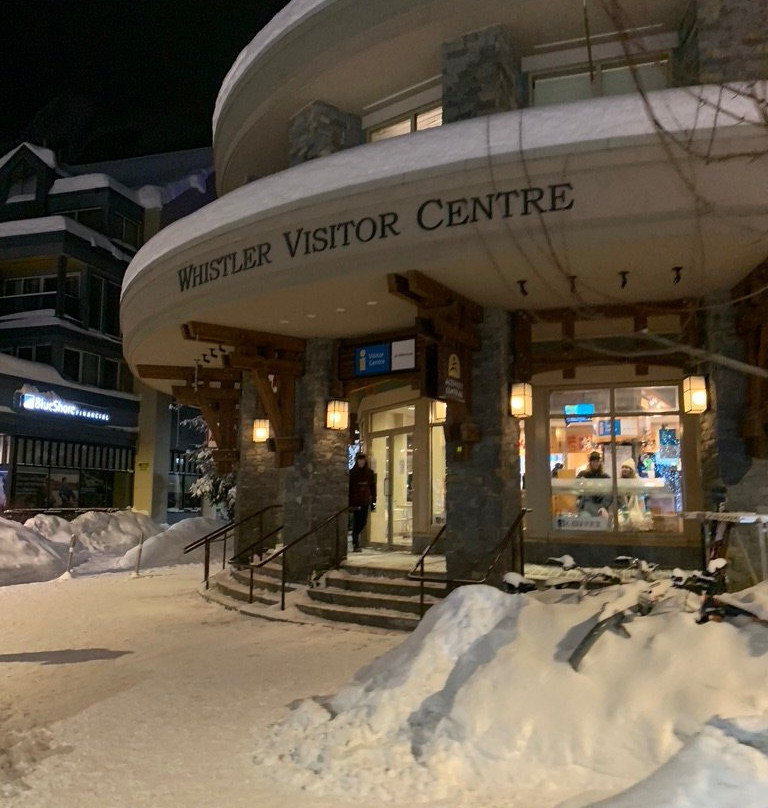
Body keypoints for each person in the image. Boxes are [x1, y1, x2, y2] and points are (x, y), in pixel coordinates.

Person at [348, 452, 376, 552]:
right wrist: (350, 502)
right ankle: (356, 542)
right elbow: (350, 488)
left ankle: (356, 538)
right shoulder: (352, 473)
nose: (361, 462)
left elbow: (373, 488)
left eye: (363, 460)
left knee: (363, 521)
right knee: (357, 521)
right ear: (357, 461)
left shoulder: (369, 473)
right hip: (355, 501)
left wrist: (373, 501)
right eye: (359, 460)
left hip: (365, 501)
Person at [576, 451, 611, 516]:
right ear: (590, 462)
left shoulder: (604, 476)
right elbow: (576, 487)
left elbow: (610, 489)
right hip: (587, 506)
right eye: (594, 461)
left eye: (597, 461)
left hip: (601, 506)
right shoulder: (583, 474)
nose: (596, 463)